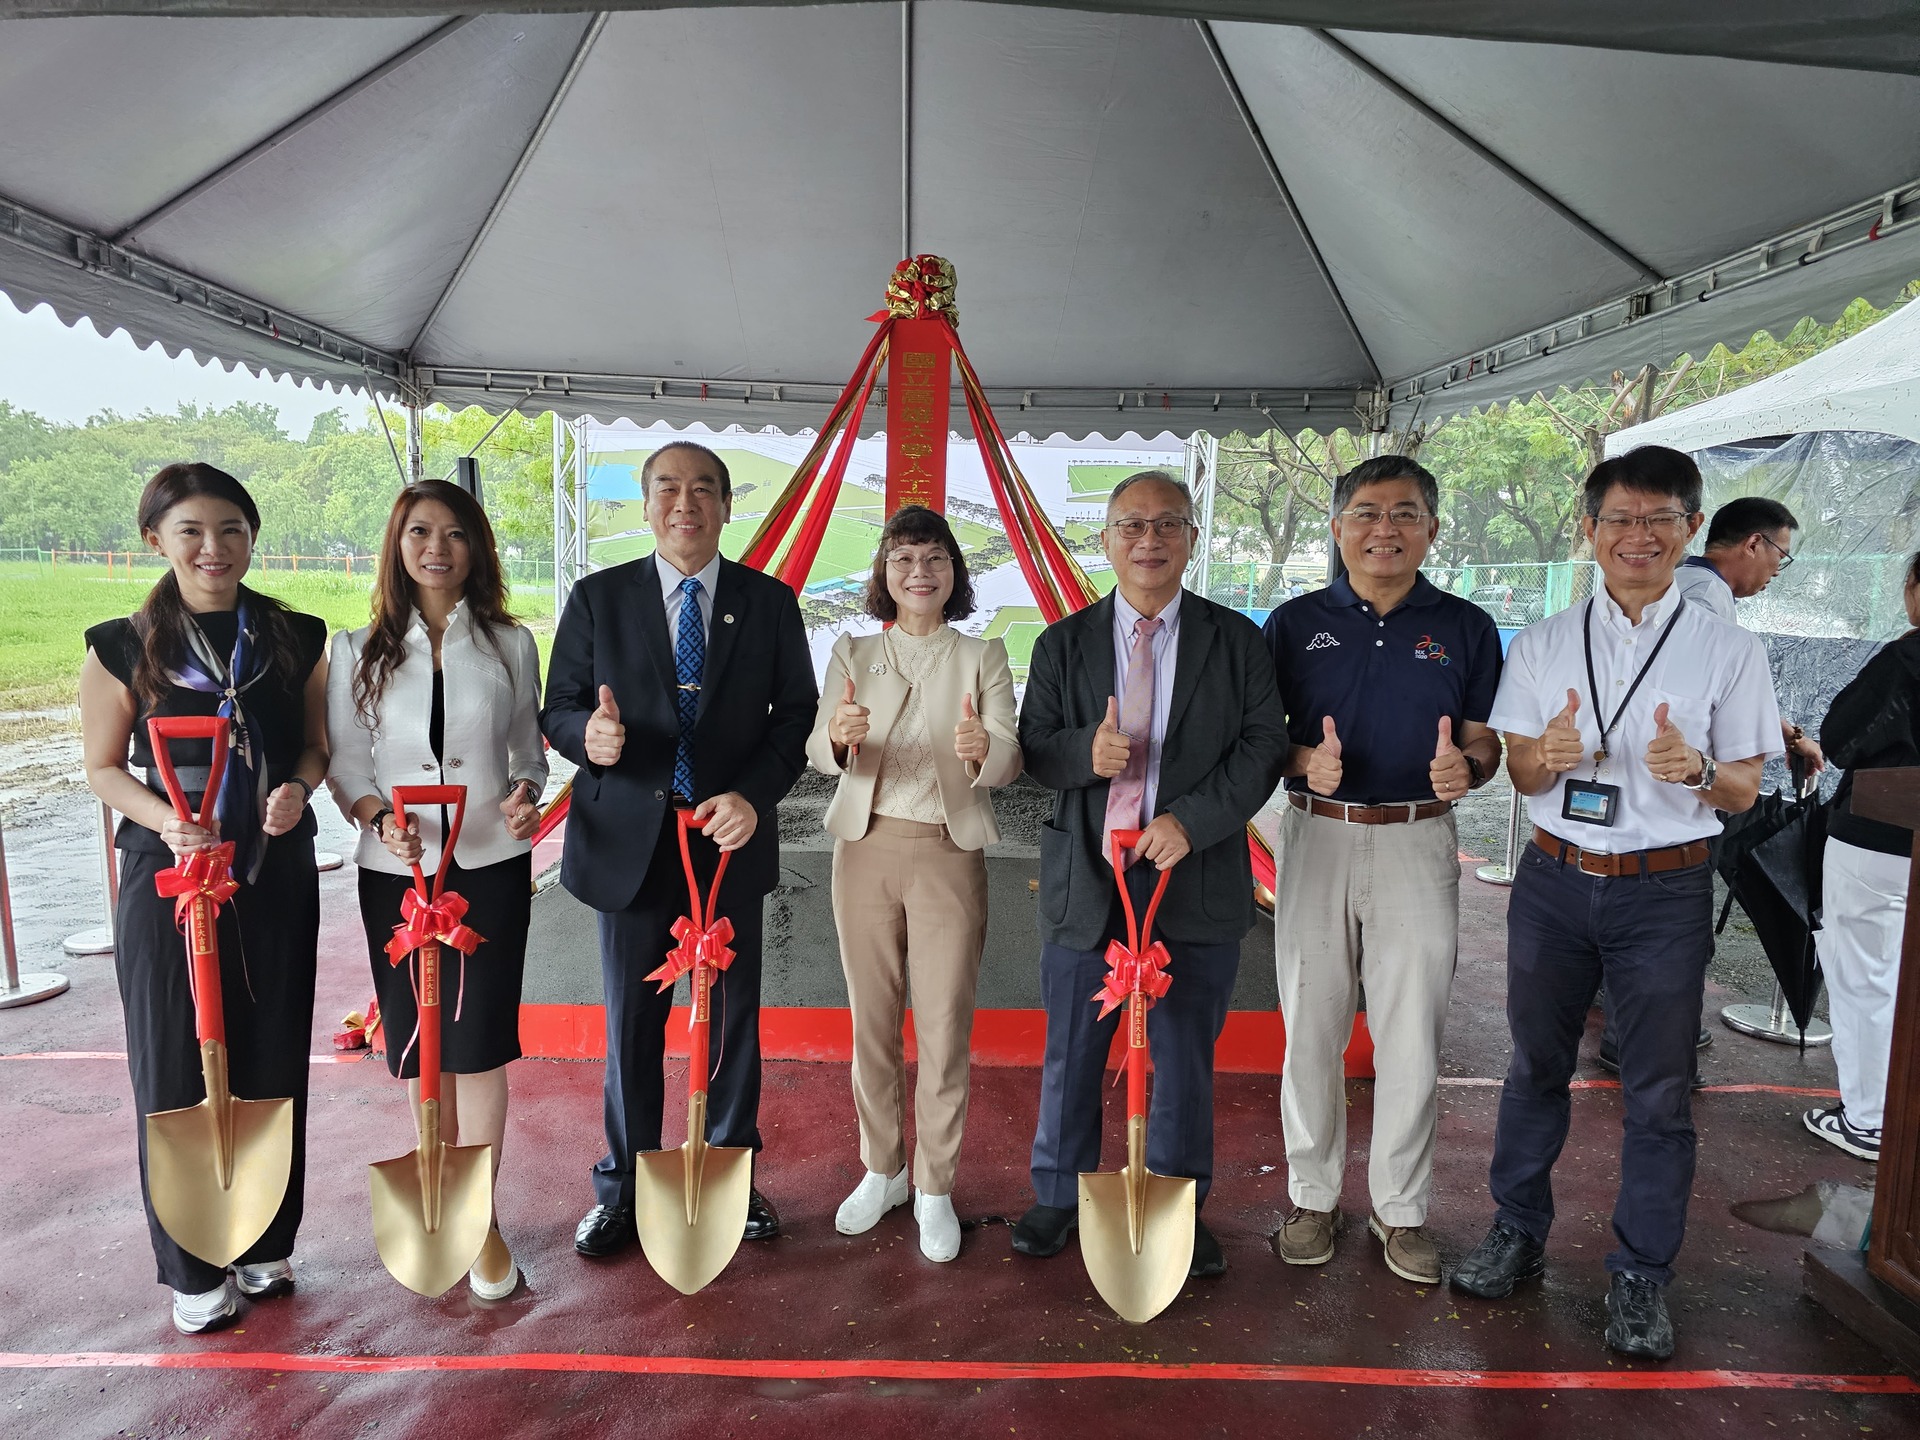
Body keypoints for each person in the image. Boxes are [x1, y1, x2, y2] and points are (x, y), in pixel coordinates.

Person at [1451, 444, 1781, 1361]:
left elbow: (1747, 786)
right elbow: (1515, 770)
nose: (1638, 537)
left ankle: (1641, 1274)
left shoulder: (1730, 648)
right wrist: (1541, 758)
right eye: (1620, 520)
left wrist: (1703, 772)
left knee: (1660, 1092)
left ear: (1688, 532)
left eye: (1659, 520)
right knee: (1534, 1069)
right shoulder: (1544, 640)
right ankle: (1517, 1232)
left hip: (1665, 888)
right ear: (1589, 530)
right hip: (1555, 883)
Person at [1010, 470, 1288, 1276]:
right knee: (1073, 1050)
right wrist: (1082, 756)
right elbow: (1035, 747)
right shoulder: (1061, 643)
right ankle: (1058, 1195)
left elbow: (1263, 747)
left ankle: (1178, 1201)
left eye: (1168, 526)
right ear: (1105, 540)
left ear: (1192, 540)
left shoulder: (1236, 642)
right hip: (1088, 884)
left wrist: (1190, 823)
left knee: (1185, 1055)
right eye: (1131, 526)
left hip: (1190, 878)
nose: (1149, 541)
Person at [542, 440, 816, 1258]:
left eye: (703, 489)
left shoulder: (768, 602)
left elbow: (794, 718)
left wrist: (753, 796)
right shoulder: (599, 597)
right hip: (631, 839)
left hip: (725, 838)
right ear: (646, 502)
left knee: (733, 1017)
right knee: (633, 1020)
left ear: (728, 506)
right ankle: (624, 1186)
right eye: (667, 488)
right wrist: (587, 737)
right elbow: (555, 708)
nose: (684, 503)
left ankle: (730, 1170)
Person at [78, 463, 328, 1335]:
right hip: (169, 880)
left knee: (271, 1047)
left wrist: (298, 790)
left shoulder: (296, 635)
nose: (213, 548)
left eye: (231, 529)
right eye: (190, 531)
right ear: (157, 540)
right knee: (171, 1059)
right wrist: (166, 820)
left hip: (270, 872)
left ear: (253, 537)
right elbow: (104, 767)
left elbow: (316, 747)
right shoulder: (120, 643)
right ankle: (190, 1262)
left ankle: (262, 1237)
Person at [1260, 456, 1503, 1285]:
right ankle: (1313, 1197)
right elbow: (1265, 740)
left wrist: (1467, 770)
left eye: (1405, 514)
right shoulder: (1292, 624)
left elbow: (1483, 739)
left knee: (1411, 1034)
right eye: (1366, 513)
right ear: (1337, 528)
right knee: (1311, 1029)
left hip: (1417, 839)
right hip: (1317, 835)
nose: (1384, 530)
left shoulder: (1467, 626)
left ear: (1431, 530)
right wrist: (1303, 760)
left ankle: (1401, 1211)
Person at [326, 478, 546, 1299]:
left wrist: (526, 796)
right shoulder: (356, 648)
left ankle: (481, 1218)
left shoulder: (511, 644)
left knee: (480, 1041)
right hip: (399, 870)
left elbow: (528, 749)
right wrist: (377, 814)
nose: (437, 548)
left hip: (487, 863)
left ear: (476, 548)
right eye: (420, 531)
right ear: (398, 544)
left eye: (454, 533)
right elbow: (347, 763)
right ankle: (440, 1203)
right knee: (426, 1046)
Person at [807, 506, 1022, 1261]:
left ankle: (935, 1185)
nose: (919, 573)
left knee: (942, 1027)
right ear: (884, 574)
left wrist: (982, 751)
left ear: (954, 571)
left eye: (933, 559)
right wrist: (838, 736)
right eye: (903, 560)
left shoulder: (981, 654)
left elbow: (1009, 754)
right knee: (871, 1023)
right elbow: (817, 743)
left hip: (946, 852)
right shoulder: (854, 650)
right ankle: (882, 1170)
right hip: (863, 850)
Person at [1800, 551, 1920, 1161]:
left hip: (1877, 844)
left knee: (1865, 976)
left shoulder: (1905, 658)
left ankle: (1870, 1119)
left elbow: (1844, 738)